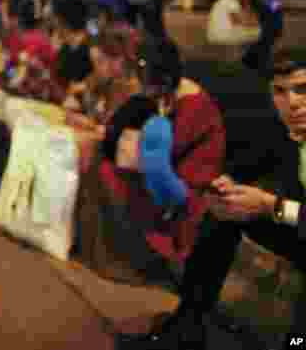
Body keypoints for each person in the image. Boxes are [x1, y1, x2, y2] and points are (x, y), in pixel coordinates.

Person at [122, 52, 306, 349]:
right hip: (295, 223)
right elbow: (255, 167)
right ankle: (187, 327)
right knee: (223, 211)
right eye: (281, 92)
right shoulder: (283, 129)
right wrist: (229, 186)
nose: (293, 102)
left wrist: (272, 205)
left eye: (303, 89)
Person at [74, 37, 225, 286]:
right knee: (101, 164)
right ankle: (109, 257)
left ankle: (128, 263)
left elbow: (169, 154)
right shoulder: (170, 94)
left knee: (108, 174)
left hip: (187, 187)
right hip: (169, 172)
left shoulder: (194, 105)